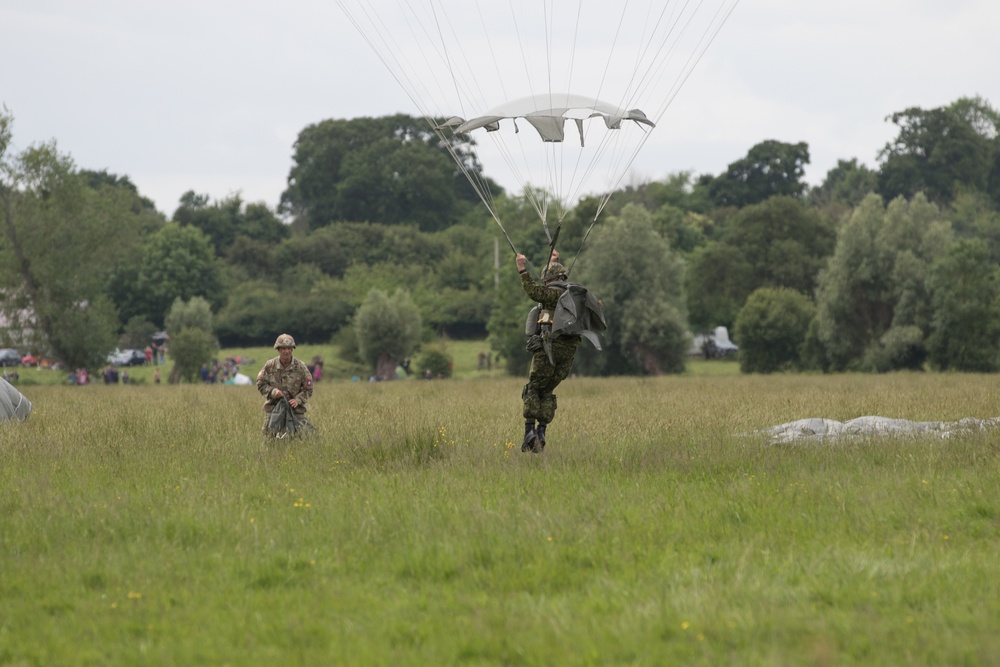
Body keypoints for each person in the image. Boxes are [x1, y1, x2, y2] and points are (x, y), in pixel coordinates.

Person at [515, 249, 606, 453]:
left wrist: (522, 269)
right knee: (547, 391)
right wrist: (554, 262)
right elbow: (554, 283)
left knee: (533, 388)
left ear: (552, 279)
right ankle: (542, 432)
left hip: (549, 349)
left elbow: (534, 292)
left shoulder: (553, 294)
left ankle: (529, 432)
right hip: (568, 353)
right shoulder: (573, 295)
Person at [256, 333, 314, 438]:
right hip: (273, 410)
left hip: (295, 412)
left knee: (303, 439)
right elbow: (260, 383)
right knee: (269, 441)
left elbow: (308, 389)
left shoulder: (301, 367)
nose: (286, 351)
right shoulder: (270, 366)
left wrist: (298, 400)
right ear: (278, 349)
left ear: (292, 349)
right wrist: (273, 392)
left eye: (289, 348)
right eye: (283, 348)